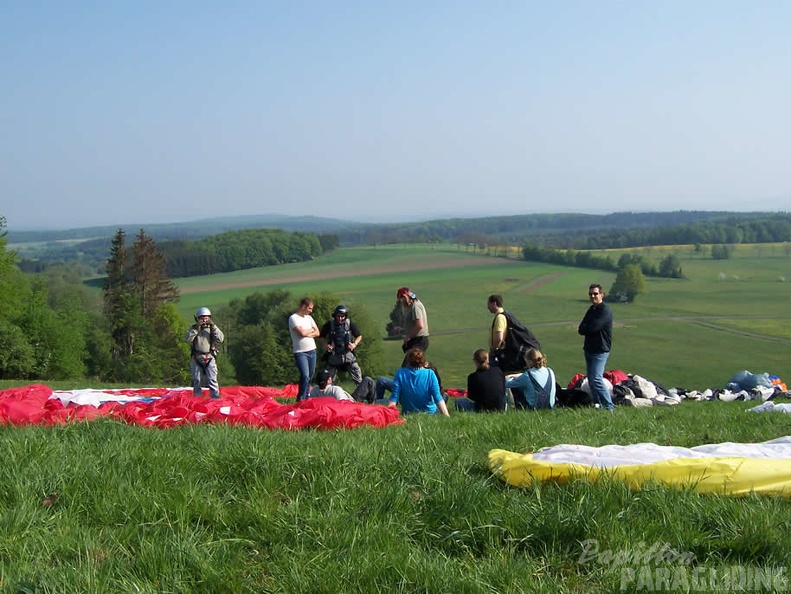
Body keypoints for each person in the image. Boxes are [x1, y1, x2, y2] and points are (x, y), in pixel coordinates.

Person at [578, 283, 614, 411]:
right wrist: (587, 327)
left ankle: (609, 406)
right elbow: (581, 329)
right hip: (589, 348)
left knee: (596, 379)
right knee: (592, 380)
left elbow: (594, 327)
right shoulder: (591, 310)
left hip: (600, 349)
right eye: (590, 294)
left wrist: (587, 327)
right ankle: (599, 404)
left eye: (595, 293)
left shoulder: (605, 310)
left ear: (602, 295)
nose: (593, 296)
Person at [387, 348, 449, 416]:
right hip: (429, 413)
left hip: (408, 413)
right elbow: (437, 397)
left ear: (408, 360)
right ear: (423, 361)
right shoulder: (430, 374)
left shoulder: (400, 373)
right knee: (444, 395)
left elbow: (394, 397)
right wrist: (447, 416)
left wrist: (388, 415)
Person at [184, 306, 225, 399]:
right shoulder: (193, 328)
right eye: (202, 318)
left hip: (210, 357)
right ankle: (196, 399)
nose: (204, 320)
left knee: (212, 380)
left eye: (206, 318)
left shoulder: (212, 328)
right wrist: (197, 329)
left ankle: (215, 399)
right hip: (196, 357)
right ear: (197, 318)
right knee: (197, 380)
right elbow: (187, 338)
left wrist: (213, 326)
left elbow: (221, 338)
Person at [320, 304, 363, 386]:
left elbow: (359, 336)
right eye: (338, 316)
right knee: (328, 380)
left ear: (345, 316)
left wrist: (354, 344)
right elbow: (321, 337)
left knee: (358, 378)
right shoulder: (329, 324)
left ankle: (362, 395)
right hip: (333, 355)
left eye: (342, 316)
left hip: (348, 355)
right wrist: (326, 345)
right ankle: (329, 396)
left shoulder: (349, 324)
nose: (340, 318)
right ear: (335, 315)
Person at [289, 297, 321, 402]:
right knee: (305, 375)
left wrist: (307, 332)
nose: (311, 311)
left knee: (310, 376)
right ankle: (301, 398)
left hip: (312, 350)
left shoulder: (309, 318)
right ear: (303, 306)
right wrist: (310, 330)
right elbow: (301, 333)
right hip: (300, 352)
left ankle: (307, 396)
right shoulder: (293, 318)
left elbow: (318, 332)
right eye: (310, 308)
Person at [395, 287, 430, 354]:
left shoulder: (415, 306)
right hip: (416, 340)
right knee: (411, 363)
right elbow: (414, 326)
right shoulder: (412, 306)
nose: (401, 302)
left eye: (401, 300)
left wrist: (408, 337)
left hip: (419, 341)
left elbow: (419, 325)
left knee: (409, 363)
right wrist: (403, 330)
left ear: (405, 297)